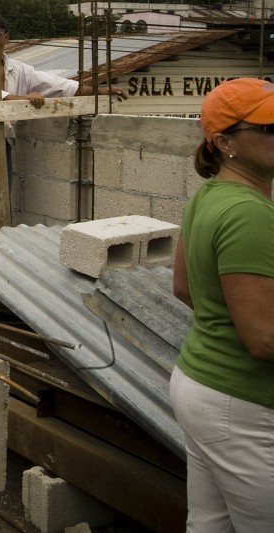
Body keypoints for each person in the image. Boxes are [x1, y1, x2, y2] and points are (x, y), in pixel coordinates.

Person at [170, 77, 274, 530]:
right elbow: (265, 340)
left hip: (203, 386)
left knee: (210, 522)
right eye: (268, 128)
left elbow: (184, 288)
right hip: (241, 402)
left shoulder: (210, 196)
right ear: (225, 141)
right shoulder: (248, 213)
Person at [0, 14, 126, 235]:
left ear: (6, 38)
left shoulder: (19, 70)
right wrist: (23, 98)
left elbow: (63, 87)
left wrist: (101, 91)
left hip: (2, 146)